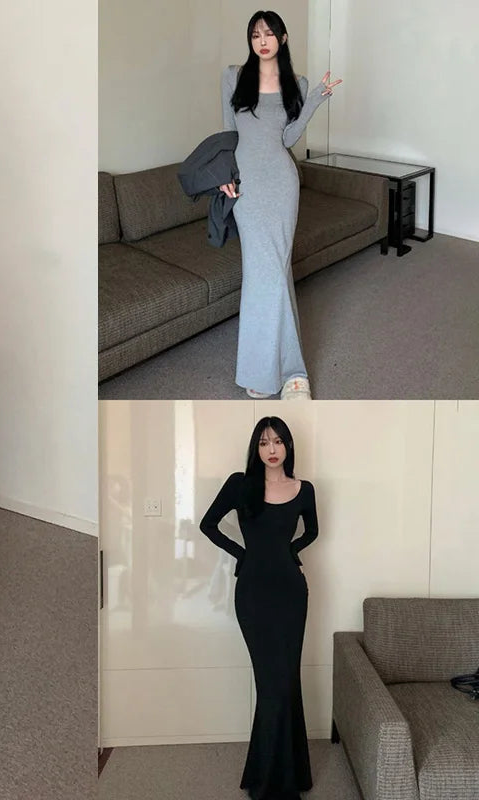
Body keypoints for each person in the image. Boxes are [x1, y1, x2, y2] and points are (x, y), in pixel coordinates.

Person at [219, 10, 342, 400]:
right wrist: (225, 175)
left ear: (283, 38)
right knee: (266, 274)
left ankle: (282, 372)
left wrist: (314, 101)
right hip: (246, 189)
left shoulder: (297, 83)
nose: (262, 40)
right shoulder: (234, 77)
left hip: (282, 185)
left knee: (273, 272)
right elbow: (228, 134)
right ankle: (292, 373)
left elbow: (287, 138)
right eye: (255, 34)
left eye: (269, 33)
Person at [199, 416, 318, 800]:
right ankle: (269, 784)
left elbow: (312, 531)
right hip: (253, 594)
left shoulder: (304, 489)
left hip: (292, 594)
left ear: (288, 446)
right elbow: (208, 524)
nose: (272, 449)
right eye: (264, 442)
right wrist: (243, 555)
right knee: (272, 687)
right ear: (256, 448)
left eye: (278, 441)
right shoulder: (240, 484)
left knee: (287, 682)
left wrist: (291, 552)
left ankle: (291, 775)